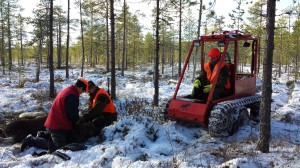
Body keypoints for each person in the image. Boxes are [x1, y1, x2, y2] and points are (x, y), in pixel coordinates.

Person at [44, 78, 88, 150]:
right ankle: (33, 141)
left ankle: (47, 136)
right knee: (59, 148)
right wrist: (77, 121)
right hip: (56, 126)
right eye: (83, 91)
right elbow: (72, 115)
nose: (81, 93)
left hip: (60, 124)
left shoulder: (69, 90)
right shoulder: (71, 95)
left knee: (73, 142)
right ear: (80, 87)